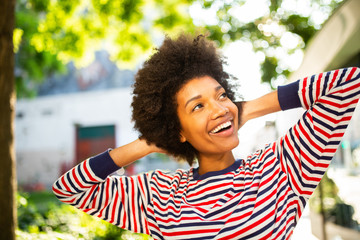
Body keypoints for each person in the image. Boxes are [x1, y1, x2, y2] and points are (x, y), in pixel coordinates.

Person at [53, 34, 360, 240]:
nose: (218, 109)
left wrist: (246, 109)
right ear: (179, 131)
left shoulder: (281, 170)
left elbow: (347, 84)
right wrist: (149, 142)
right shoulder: (159, 195)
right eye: (198, 106)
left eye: (221, 95)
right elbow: (69, 189)